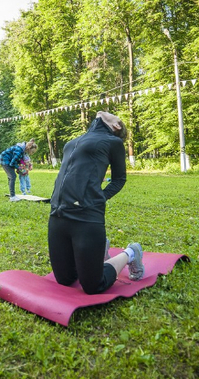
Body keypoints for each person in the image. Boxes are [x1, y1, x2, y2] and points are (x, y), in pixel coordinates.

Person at [48, 111, 144, 295]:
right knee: (65, 279)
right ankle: (98, 250)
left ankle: (131, 253)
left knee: (93, 286)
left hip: (86, 216)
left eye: (115, 116)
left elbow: (119, 179)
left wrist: (98, 197)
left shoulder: (113, 142)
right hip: (57, 215)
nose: (109, 112)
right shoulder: (75, 140)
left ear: (116, 126)